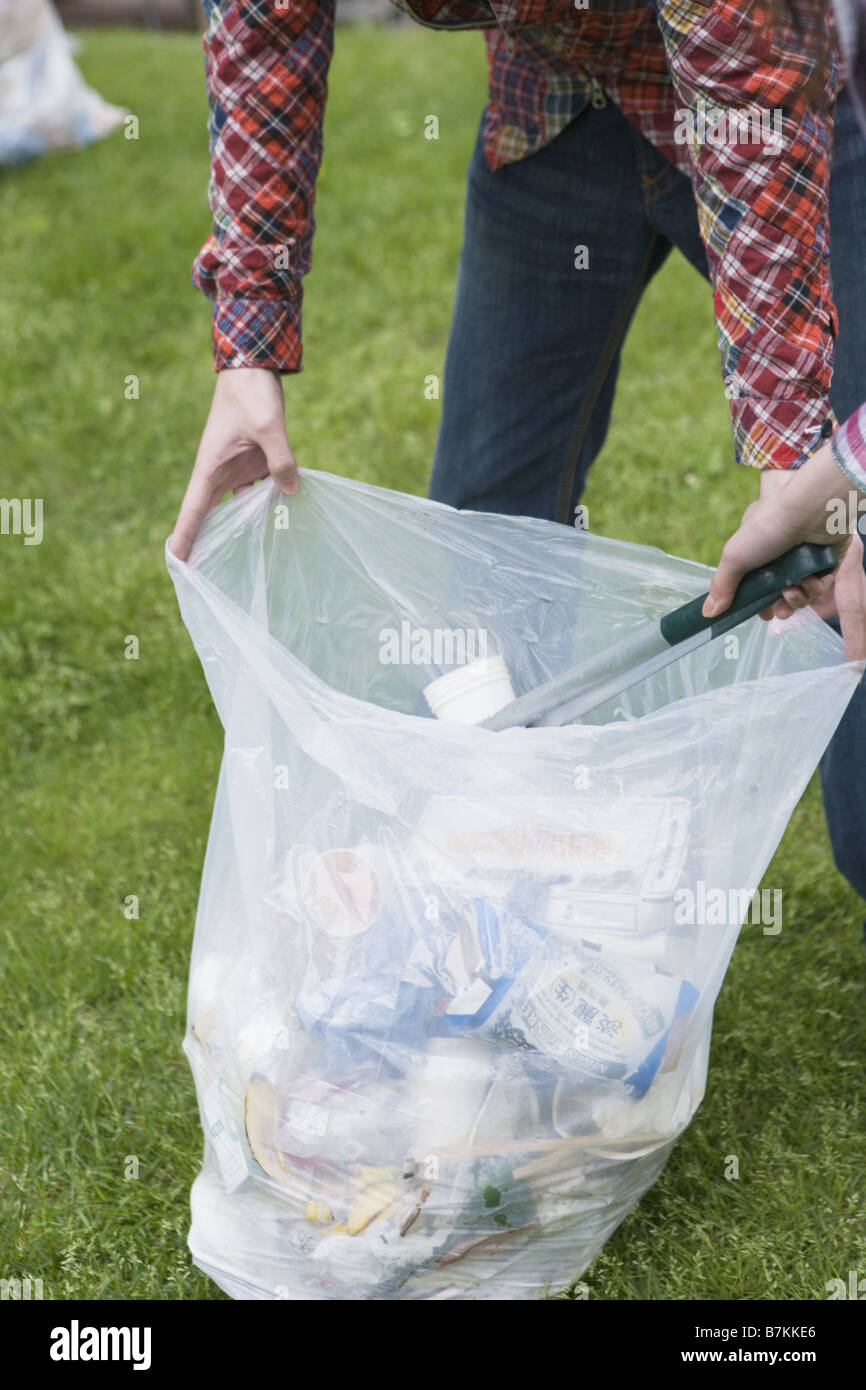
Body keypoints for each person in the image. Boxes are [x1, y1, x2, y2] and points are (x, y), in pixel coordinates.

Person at [171, 0, 866, 891]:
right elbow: (265, 24)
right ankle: (505, 923)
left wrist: (794, 465)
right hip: (553, 109)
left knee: (841, 549)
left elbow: (745, 99)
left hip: (775, 102)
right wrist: (249, 340)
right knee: (484, 566)